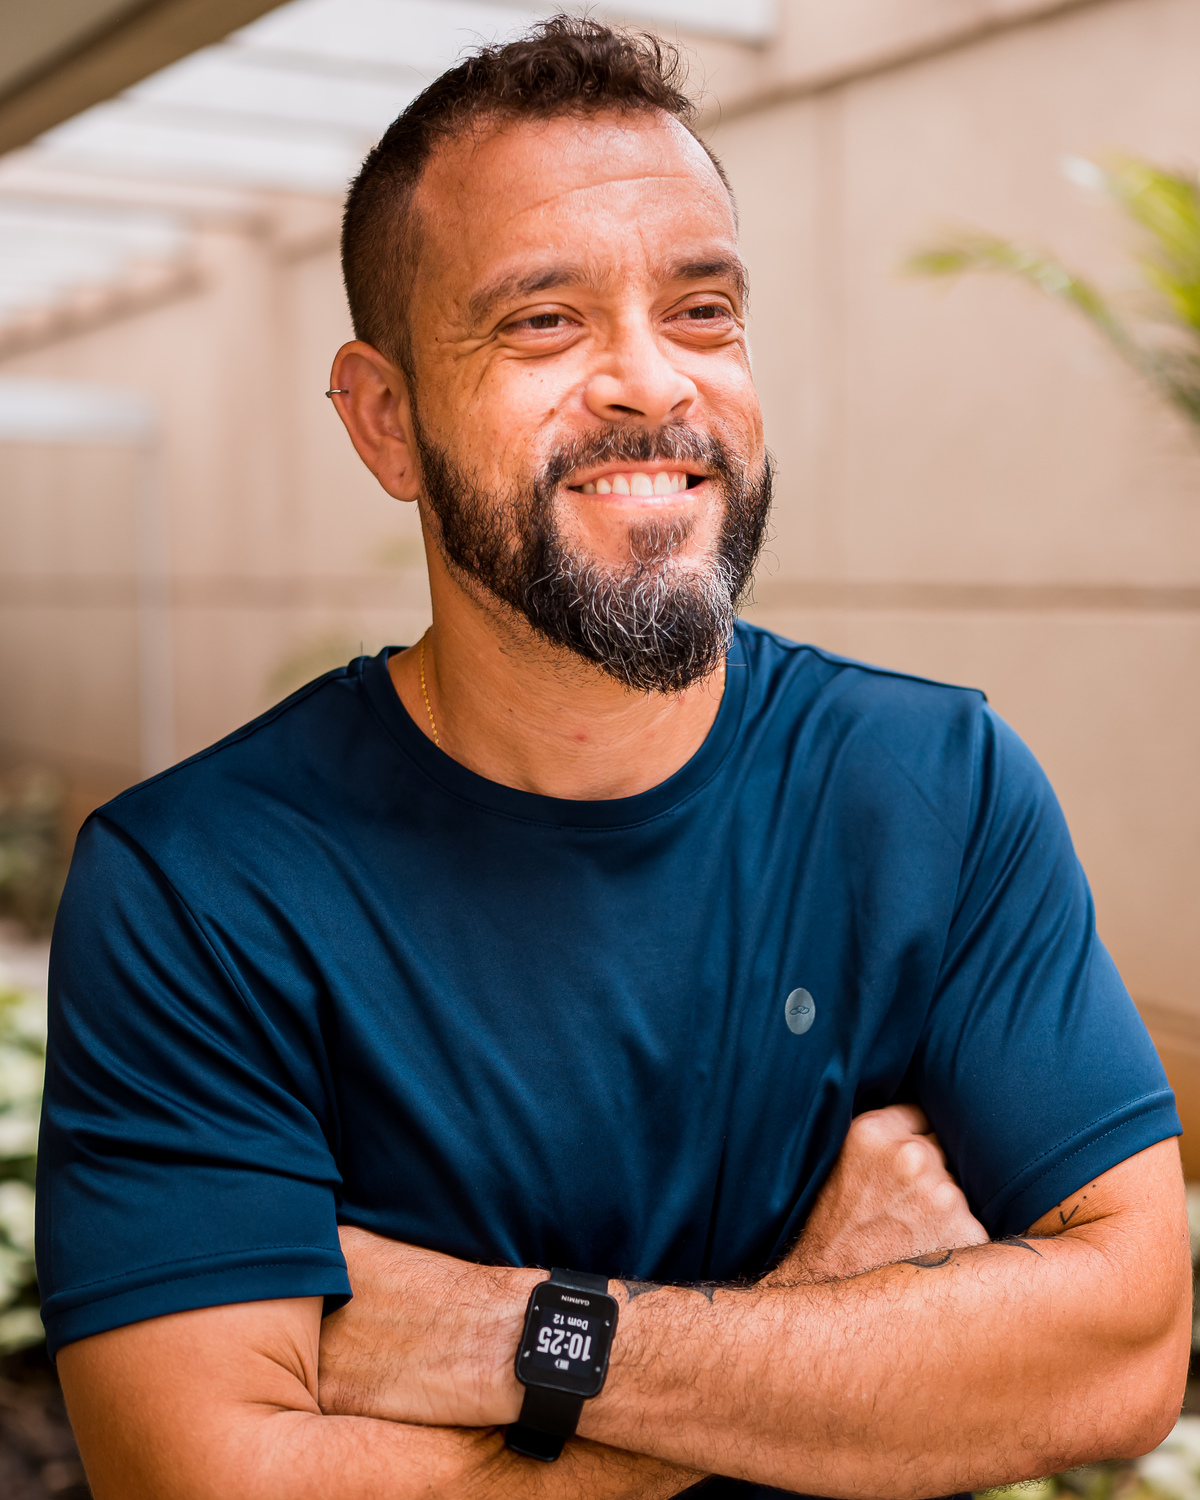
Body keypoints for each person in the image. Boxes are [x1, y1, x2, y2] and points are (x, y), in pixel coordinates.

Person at [38, 18, 1189, 1500]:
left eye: (703, 309)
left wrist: (512, 1333)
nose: (652, 383)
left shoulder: (934, 791)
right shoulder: (201, 887)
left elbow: (1123, 1352)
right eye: (543, 322)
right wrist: (811, 1317)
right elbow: (210, 1481)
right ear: (387, 421)